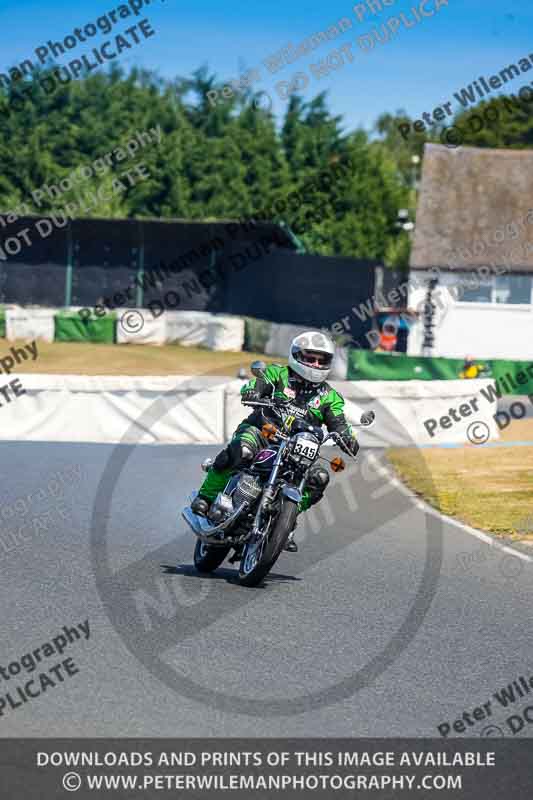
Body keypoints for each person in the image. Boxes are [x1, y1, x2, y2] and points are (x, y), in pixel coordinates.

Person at [191, 331, 359, 552]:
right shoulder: (277, 374)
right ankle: (206, 495)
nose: (316, 364)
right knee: (242, 450)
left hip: (298, 448)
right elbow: (257, 385)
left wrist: (347, 437)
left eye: (322, 360)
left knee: (320, 477)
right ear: (296, 356)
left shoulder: (330, 397)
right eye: (310, 358)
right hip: (262, 432)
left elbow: (338, 422)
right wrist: (253, 391)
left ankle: (286, 520)